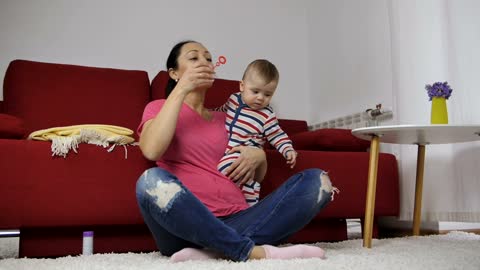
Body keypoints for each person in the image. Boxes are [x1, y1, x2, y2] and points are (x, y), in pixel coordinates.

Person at [135, 40, 335, 262]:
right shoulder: (158, 108)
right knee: (149, 181)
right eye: (194, 58)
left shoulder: (230, 117)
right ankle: (250, 251)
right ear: (173, 73)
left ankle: (214, 250)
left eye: (209, 59)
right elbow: (152, 150)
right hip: (184, 225)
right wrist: (182, 88)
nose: (205, 62)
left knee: (318, 181)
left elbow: (257, 176)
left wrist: (259, 157)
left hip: (241, 217)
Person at [215, 59, 297, 206]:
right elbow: (220, 112)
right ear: (242, 86)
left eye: (267, 95)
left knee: (232, 174)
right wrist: (205, 115)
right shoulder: (233, 99)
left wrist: (288, 149)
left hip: (245, 154)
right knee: (232, 180)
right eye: (255, 91)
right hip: (224, 151)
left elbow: (277, 135)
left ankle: (249, 208)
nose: (260, 98)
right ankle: (240, 207)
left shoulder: (267, 115)